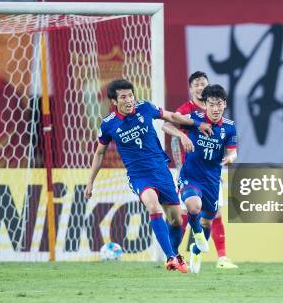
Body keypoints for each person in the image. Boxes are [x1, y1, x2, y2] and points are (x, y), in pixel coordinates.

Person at [85, 79, 213, 273]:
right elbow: (100, 153)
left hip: (161, 170)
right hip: (139, 175)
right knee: (152, 205)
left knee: (176, 220)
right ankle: (170, 257)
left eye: (130, 95)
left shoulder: (145, 108)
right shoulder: (108, 124)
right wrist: (90, 182)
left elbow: (171, 116)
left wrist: (197, 124)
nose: (129, 100)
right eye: (123, 97)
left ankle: (175, 254)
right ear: (113, 101)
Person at [163, 72, 238, 269]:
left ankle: (197, 250)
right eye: (211, 104)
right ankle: (174, 253)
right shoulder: (192, 116)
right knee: (191, 207)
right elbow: (166, 124)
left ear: (224, 105)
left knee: (208, 221)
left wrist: (230, 158)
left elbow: (232, 151)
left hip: (212, 179)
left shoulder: (229, 127)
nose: (214, 108)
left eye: (218, 104)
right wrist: (183, 135)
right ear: (205, 104)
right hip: (190, 175)